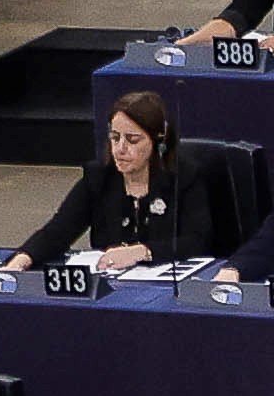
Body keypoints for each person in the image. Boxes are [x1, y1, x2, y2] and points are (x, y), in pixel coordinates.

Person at [22, 93, 240, 274]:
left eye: (132, 140)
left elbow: (197, 241)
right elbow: (58, 231)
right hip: (112, 287)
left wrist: (142, 252)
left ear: (158, 141)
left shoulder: (185, 177)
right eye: (115, 138)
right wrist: (23, 259)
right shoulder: (99, 177)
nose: (120, 149)